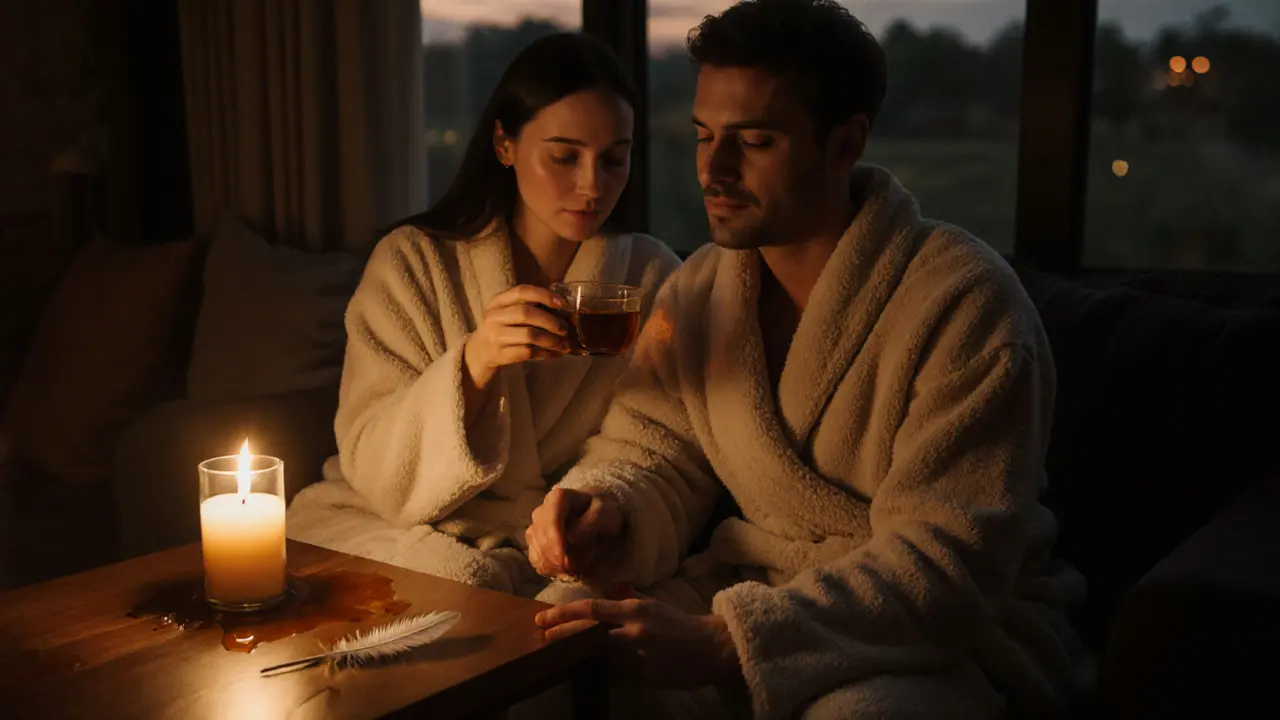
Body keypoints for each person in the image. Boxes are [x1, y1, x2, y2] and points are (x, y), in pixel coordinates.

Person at [526, 1, 1088, 718]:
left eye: (754, 141)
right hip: (753, 587)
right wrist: (607, 508)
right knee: (557, 632)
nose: (714, 170)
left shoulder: (965, 304)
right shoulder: (699, 290)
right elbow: (652, 445)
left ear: (845, 142)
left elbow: (948, 565)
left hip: (934, 631)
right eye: (704, 136)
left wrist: (733, 639)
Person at [285, 32, 682, 598]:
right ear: (504, 144)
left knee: (580, 614)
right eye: (564, 156)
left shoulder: (648, 276)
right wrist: (475, 361)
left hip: (543, 537)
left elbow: (650, 443)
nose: (592, 185)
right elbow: (373, 463)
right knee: (462, 586)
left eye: (613, 159)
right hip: (391, 519)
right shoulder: (414, 264)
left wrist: (594, 506)